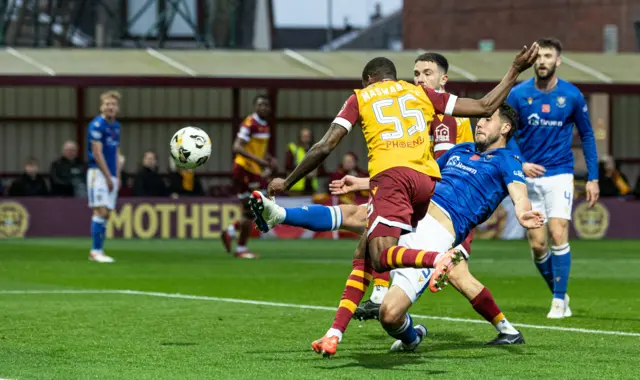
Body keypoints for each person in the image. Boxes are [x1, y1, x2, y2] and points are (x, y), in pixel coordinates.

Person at [263, 46, 538, 356]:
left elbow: (519, 194)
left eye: (488, 120)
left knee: (387, 255)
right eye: (417, 73)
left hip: (441, 231)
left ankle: (498, 323)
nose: (480, 124)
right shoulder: (459, 149)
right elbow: (420, 166)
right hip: (415, 205)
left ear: (505, 127)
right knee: (388, 312)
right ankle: (414, 334)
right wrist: (364, 182)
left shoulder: (507, 160)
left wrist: (524, 213)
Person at [506, 38, 599, 319]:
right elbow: (506, 133)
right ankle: (559, 293)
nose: (543, 61)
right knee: (537, 245)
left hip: (559, 173)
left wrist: (593, 177)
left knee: (558, 232)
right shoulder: (518, 95)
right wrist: (521, 163)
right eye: (539, 57)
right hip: (528, 178)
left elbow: (588, 135)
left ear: (558, 60)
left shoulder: (571, 95)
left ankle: (558, 301)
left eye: (548, 56)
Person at [220, 95, 276, 259]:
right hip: (244, 169)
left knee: (256, 207)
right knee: (252, 208)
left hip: (253, 171)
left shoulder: (265, 126)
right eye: (260, 105)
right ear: (255, 107)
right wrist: (260, 161)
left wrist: (269, 158)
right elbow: (237, 146)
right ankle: (240, 248)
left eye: (266, 104)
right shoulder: (249, 123)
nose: (263, 107)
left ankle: (231, 232)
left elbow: (259, 149)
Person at [86, 91, 122, 263]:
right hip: (97, 173)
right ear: (102, 106)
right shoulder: (96, 126)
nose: (110, 107)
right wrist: (108, 176)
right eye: (107, 104)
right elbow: (97, 152)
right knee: (100, 210)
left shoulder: (116, 126)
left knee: (107, 213)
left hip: (111, 174)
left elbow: (116, 151)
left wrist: (118, 176)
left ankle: (99, 249)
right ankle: (95, 251)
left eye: (113, 104)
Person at [285, 128, 322, 194]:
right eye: (304, 136)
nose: (306, 139)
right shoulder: (293, 148)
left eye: (308, 136)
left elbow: (321, 168)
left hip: (311, 187)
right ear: (299, 137)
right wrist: (305, 171)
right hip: (296, 188)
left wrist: (316, 171)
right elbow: (288, 166)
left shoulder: (314, 150)